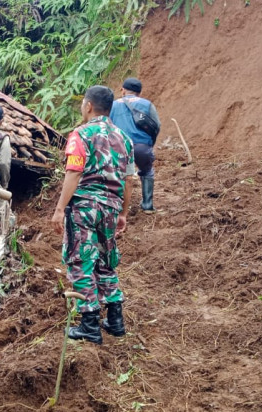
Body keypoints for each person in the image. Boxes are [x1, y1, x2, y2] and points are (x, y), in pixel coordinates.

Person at [51, 85, 135, 345]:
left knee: (81, 260)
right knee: (105, 262)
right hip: (110, 207)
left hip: (85, 206)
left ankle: (89, 324)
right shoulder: (125, 139)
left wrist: (59, 208)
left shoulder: (81, 134)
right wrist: (123, 212)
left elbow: (74, 172)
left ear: (88, 105)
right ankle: (115, 320)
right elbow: (129, 180)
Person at [110, 77, 161, 213]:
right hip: (142, 147)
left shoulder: (113, 105)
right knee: (147, 171)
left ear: (123, 90)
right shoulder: (147, 104)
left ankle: (116, 206)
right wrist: (149, 144)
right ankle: (147, 205)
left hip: (120, 146)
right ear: (139, 92)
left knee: (118, 175)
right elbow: (157, 125)